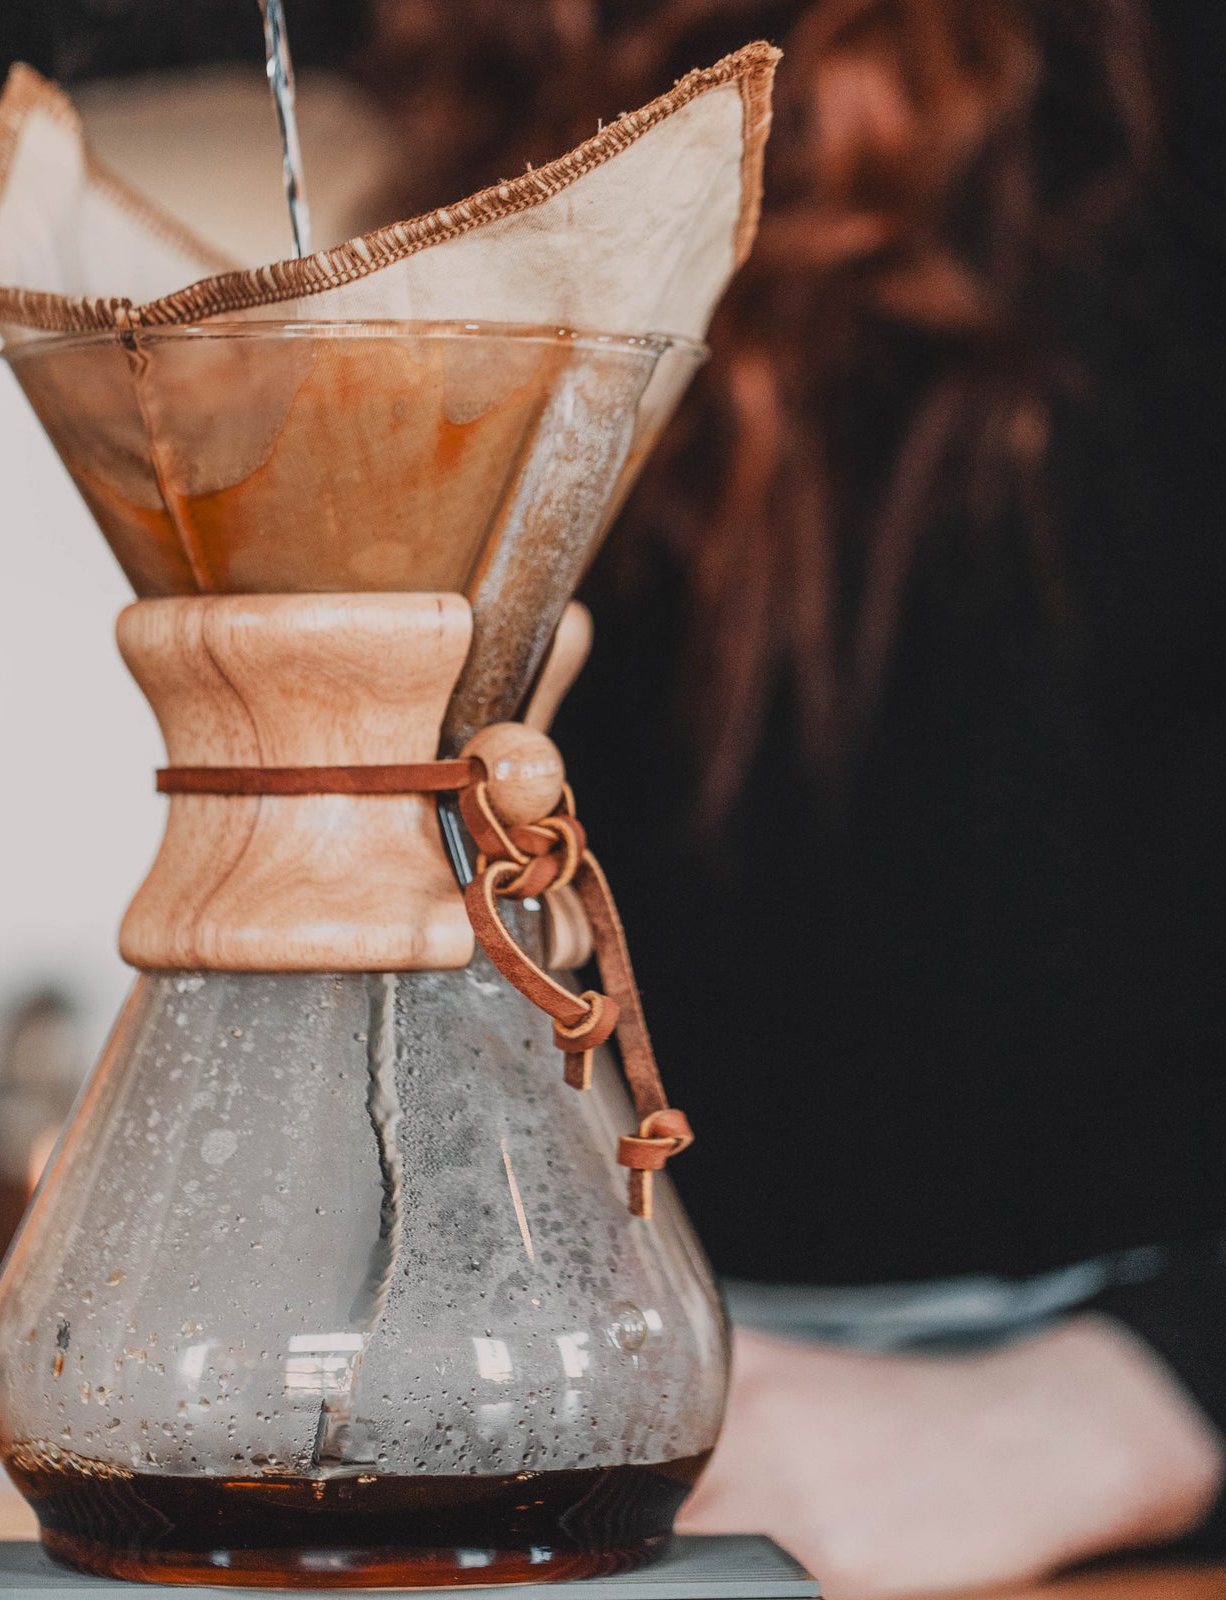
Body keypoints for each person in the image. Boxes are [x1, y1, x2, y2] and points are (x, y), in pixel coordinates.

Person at [360, 1, 1226, 1592]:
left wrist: (1153, 1392)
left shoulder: (1157, 98)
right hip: (591, 1413)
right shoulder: (495, 87)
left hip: (1102, 1450)